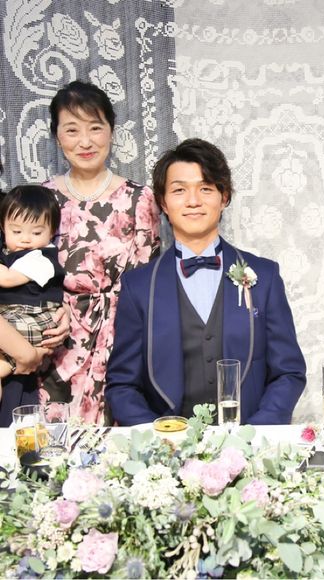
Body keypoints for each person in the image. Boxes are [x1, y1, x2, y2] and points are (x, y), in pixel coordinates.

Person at [105, 138, 306, 426]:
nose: (193, 201)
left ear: (224, 197)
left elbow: (288, 372)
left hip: (249, 441)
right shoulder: (138, 287)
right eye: (179, 190)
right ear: (163, 202)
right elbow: (122, 385)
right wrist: (159, 439)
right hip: (167, 446)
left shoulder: (265, 277)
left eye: (206, 188)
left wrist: (256, 436)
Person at [41, 80, 160, 425]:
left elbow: (148, 282)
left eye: (95, 127)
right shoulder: (42, 199)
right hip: (58, 344)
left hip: (123, 340)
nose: (85, 141)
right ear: (57, 137)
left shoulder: (139, 198)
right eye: (72, 130)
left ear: (111, 131)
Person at [0, 185, 64, 391]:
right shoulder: (10, 252)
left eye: (36, 232)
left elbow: (7, 279)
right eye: (16, 231)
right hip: (16, 320)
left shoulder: (41, 258)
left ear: (52, 232)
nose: (25, 239)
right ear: (3, 228)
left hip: (31, 319)